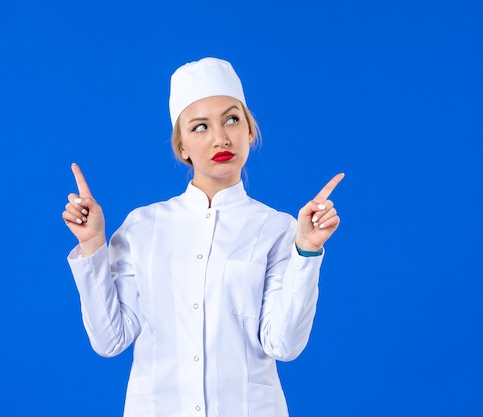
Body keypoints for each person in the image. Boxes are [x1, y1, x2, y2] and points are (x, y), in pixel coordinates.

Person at [62, 57, 344, 417]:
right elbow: (110, 339)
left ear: (250, 131)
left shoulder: (277, 228)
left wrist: (307, 250)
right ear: (182, 148)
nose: (220, 137)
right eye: (200, 127)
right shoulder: (143, 227)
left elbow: (284, 345)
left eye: (231, 119)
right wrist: (92, 245)